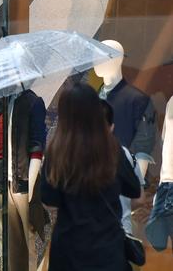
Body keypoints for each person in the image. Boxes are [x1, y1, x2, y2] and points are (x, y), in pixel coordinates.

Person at [41, 83, 141, 271]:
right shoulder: (112, 149)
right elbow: (134, 191)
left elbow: (48, 199)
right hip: (108, 252)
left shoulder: (56, 152)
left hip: (67, 254)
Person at [100, 99, 145, 234]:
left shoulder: (74, 156)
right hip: (121, 235)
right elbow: (139, 199)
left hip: (86, 241)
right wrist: (124, 206)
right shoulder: (124, 153)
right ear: (112, 127)